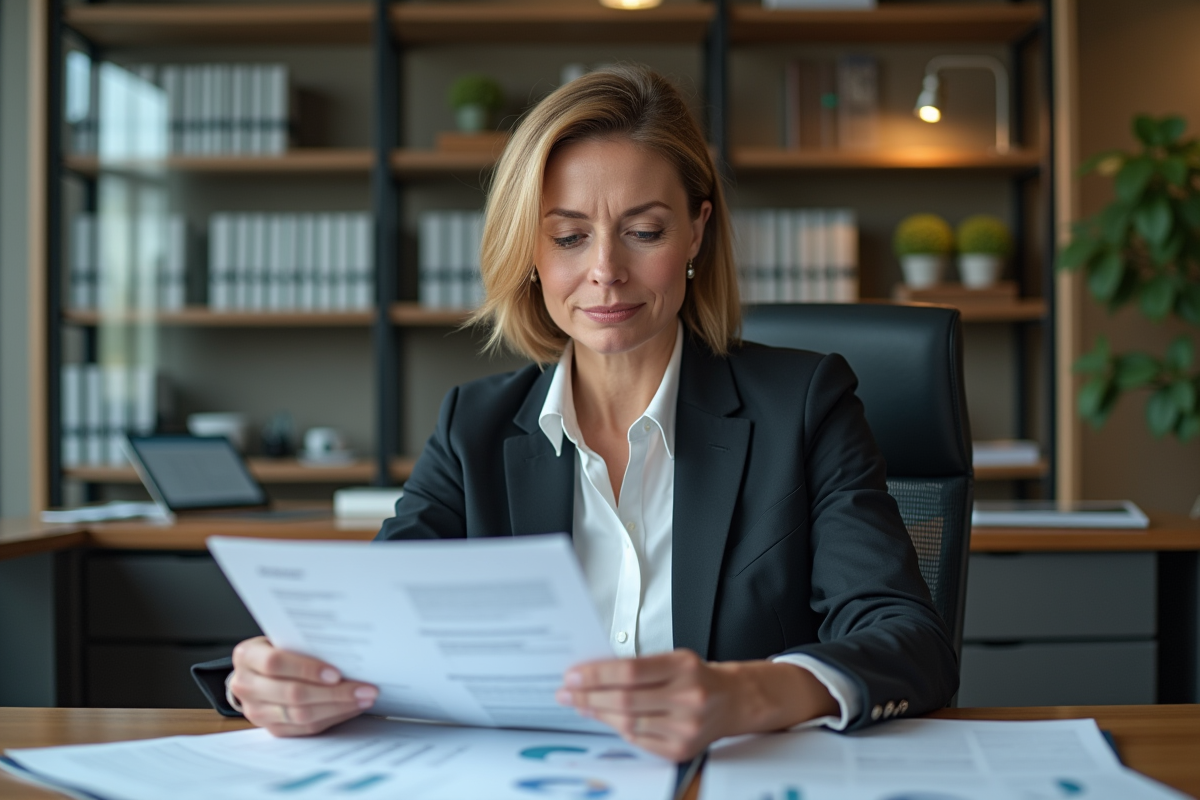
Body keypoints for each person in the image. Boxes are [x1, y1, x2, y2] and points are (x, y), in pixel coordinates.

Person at [193, 65, 958, 762]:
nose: (605, 273)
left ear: (697, 229)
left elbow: (907, 641)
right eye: (568, 236)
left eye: (645, 231)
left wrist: (745, 694)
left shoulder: (805, 404)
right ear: (530, 249)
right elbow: (373, 625)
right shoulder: (475, 427)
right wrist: (270, 678)